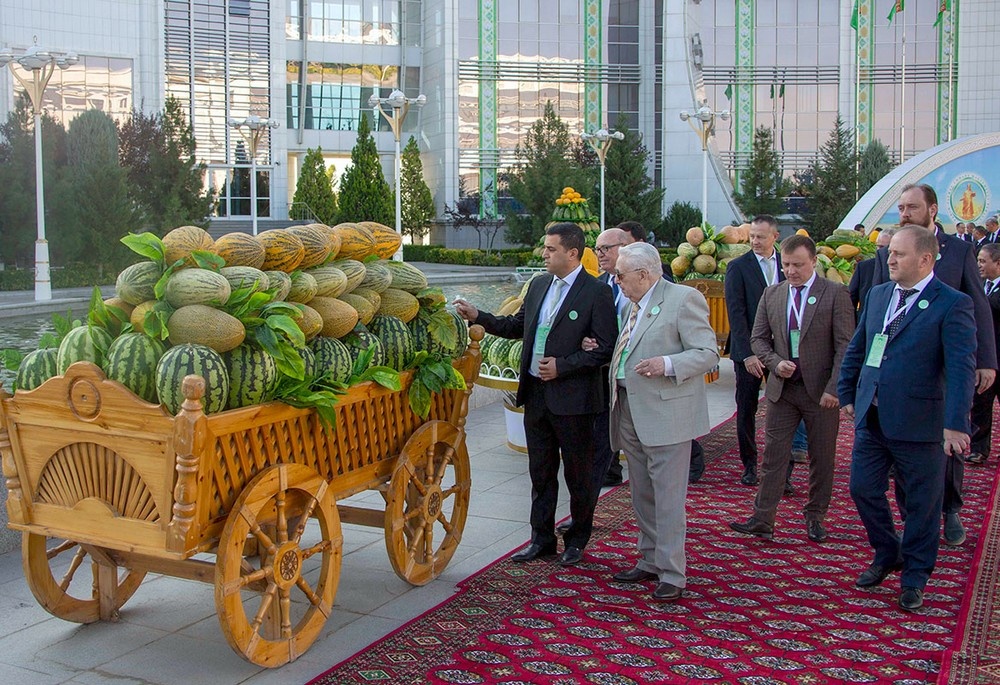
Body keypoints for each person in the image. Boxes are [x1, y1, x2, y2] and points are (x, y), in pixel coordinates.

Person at [454, 223, 617, 566]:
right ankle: (541, 539)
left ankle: (576, 540)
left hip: (575, 400)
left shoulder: (596, 292)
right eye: (545, 247)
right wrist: (477, 316)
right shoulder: (540, 285)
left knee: (578, 474)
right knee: (540, 473)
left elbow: (604, 349)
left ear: (573, 254)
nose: (544, 254)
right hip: (537, 396)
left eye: (551, 249)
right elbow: (516, 326)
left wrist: (564, 366)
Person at [839, 226, 976, 611]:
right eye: (889, 253)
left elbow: (962, 369)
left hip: (921, 422)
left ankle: (915, 576)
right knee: (862, 489)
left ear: (925, 259)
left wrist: (955, 424)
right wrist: (848, 391)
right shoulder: (879, 294)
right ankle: (887, 551)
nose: (890, 260)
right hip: (874, 415)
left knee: (920, 505)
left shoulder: (952, 303)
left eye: (898, 254)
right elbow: (860, 347)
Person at [870, 184, 997, 546]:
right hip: (901, 365)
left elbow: (978, 304)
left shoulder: (958, 250)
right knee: (901, 441)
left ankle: (950, 508)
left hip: (947, 364)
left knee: (950, 433)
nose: (905, 213)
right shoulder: (889, 251)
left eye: (912, 207)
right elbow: (880, 309)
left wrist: (986, 359)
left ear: (933, 209)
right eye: (901, 207)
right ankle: (912, 515)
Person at [606, 242, 719, 602]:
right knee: (642, 494)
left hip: (666, 413)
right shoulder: (631, 302)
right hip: (630, 409)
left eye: (621, 275)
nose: (616, 279)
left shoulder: (682, 298)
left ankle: (673, 572)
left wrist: (666, 365)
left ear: (643, 274)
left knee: (668, 498)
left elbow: (706, 353)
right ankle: (650, 558)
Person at [729, 236, 855, 543]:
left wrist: (835, 389)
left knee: (821, 457)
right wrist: (774, 362)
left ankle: (815, 516)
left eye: (797, 265)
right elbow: (758, 339)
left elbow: (845, 346)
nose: (791, 271)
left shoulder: (835, 293)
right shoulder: (772, 294)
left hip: (820, 392)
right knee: (773, 455)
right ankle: (762, 518)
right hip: (783, 389)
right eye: (786, 265)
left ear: (813, 261)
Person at [724, 215, 787, 486]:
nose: (755, 241)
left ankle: (782, 471)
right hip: (749, 352)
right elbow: (736, 314)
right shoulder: (739, 267)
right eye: (752, 236)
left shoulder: (787, 265)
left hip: (783, 352)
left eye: (761, 236)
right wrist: (748, 353)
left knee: (784, 411)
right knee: (746, 408)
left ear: (775, 236)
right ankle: (749, 464)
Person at [968, 242, 1000, 465]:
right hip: (985, 359)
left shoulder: (986, 294)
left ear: (998, 263)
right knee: (980, 406)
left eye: (983, 261)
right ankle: (979, 449)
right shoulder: (980, 286)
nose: (978, 265)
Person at [849, 228, 895, 317]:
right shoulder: (863, 267)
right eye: (879, 246)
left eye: (886, 248)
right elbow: (851, 299)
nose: (881, 251)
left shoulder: (901, 269)